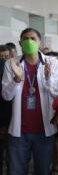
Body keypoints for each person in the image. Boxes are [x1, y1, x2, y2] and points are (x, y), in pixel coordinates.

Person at [1, 28, 58, 175]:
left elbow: (57, 92)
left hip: (44, 130)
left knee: (42, 170)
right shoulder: (11, 63)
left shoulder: (52, 62)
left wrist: (47, 78)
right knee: (16, 171)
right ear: (20, 43)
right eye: (25, 39)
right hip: (19, 132)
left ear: (40, 41)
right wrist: (17, 79)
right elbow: (6, 95)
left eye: (33, 39)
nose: (29, 42)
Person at [0, 45, 11, 175]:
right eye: (0, 57)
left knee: (11, 157)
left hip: (9, 122)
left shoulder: (14, 71)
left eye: (6, 57)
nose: (3, 60)